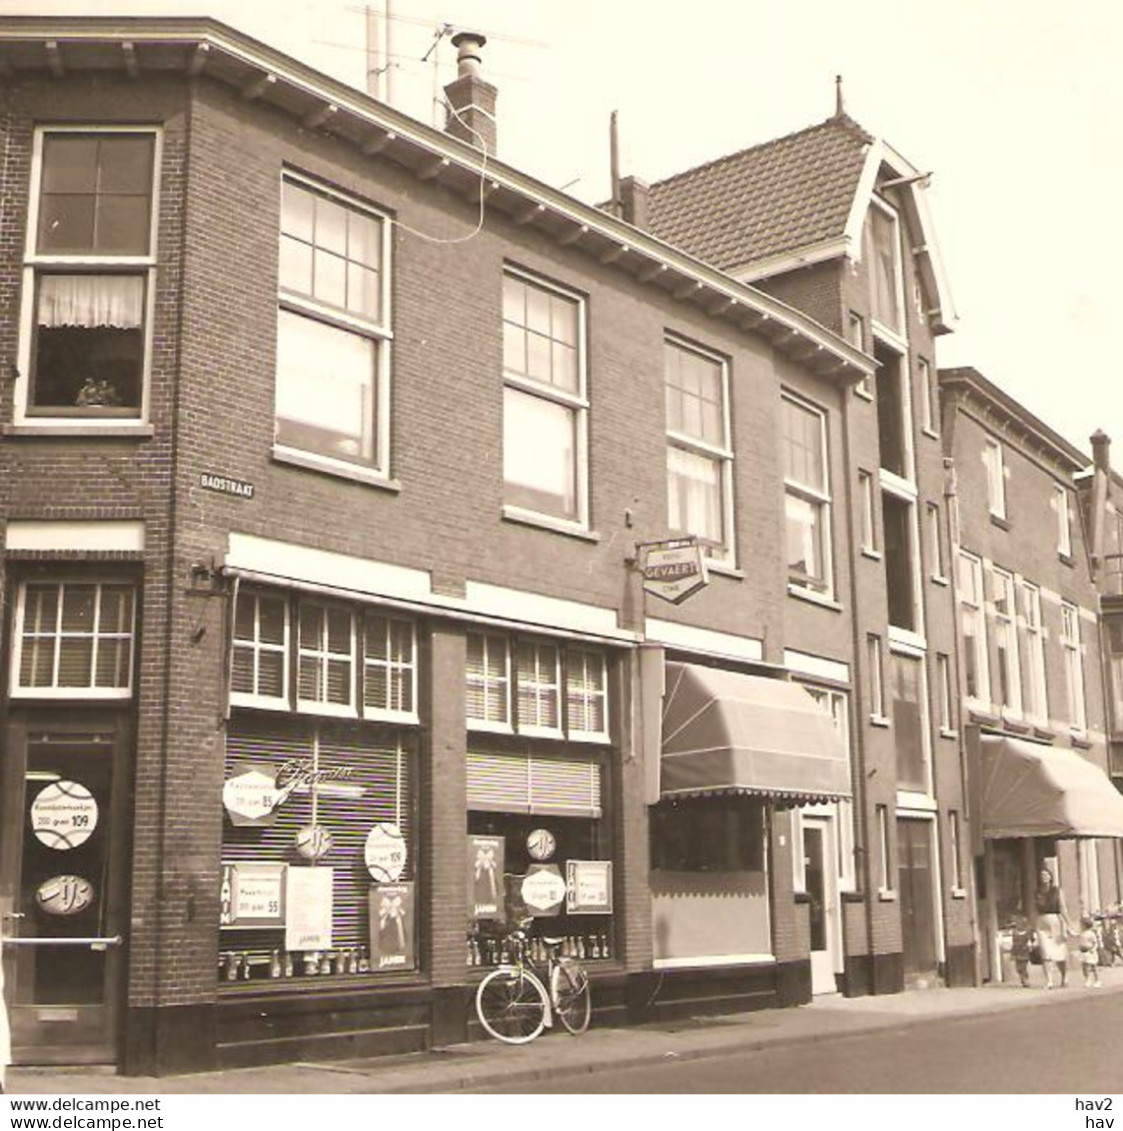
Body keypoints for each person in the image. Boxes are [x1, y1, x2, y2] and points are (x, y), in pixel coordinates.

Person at [1034, 867, 1072, 989]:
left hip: (1055, 921)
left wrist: (1069, 924)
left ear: (1050, 877)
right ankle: (1049, 981)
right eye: (1042, 875)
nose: (1044, 877)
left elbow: (1062, 908)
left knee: (1059, 952)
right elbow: (1034, 909)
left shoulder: (1057, 891)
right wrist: (1032, 925)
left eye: (1046, 875)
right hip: (1041, 921)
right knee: (1045, 953)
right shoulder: (1037, 892)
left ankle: (1064, 976)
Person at [1009, 912, 1036, 987]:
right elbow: (1014, 941)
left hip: (1024, 950)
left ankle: (1025, 980)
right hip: (1016, 950)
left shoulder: (1028, 930)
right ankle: (1023, 979)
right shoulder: (1014, 931)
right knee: (1018, 968)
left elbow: (1032, 939)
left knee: (1023, 966)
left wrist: (1031, 944)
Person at [1078, 915, 1102, 988]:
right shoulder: (1082, 933)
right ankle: (1087, 979)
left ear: (1085, 925)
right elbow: (1077, 936)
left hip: (1090, 952)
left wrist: (1093, 949)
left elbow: (1095, 942)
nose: (1080, 926)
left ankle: (1097, 980)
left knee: (1093, 967)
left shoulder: (1091, 933)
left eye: (1081, 925)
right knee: (1085, 967)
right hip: (1083, 952)